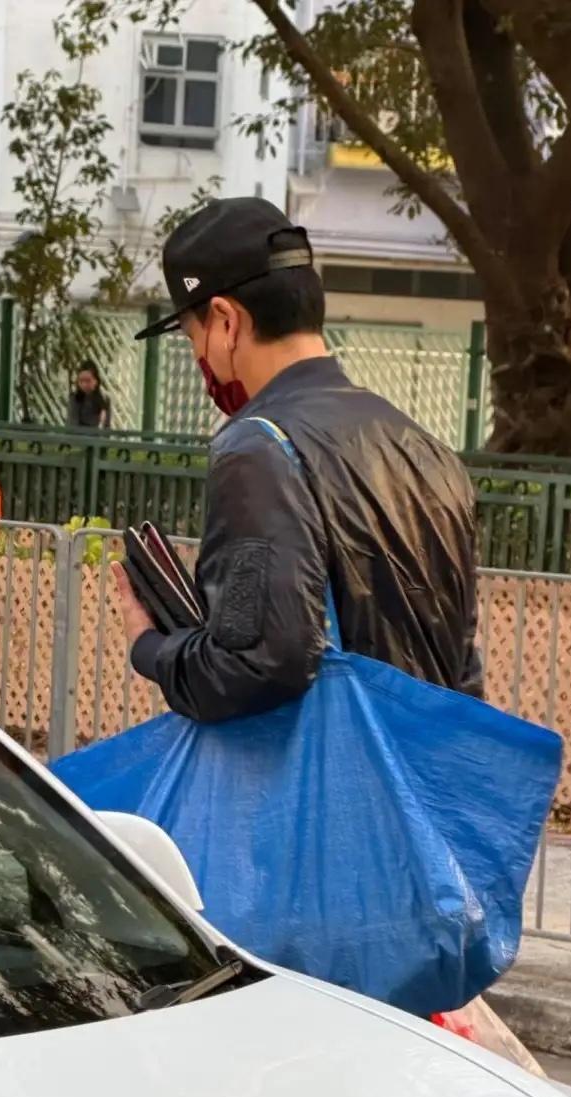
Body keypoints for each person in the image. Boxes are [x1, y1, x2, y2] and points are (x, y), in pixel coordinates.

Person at [114, 197, 482, 724]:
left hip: (321, 793)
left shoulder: (258, 449)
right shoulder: (429, 451)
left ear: (224, 320)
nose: (200, 359)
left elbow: (257, 663)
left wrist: (151, 647)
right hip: (422, 787)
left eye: (192, 337)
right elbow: (461, 664)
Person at [68, 361, 111, 428]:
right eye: (81, 381)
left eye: (88, 380)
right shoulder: (75, 398)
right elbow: (72, 425)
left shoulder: (104, 399)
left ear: (96, 381)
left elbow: (106, 427)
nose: (84, 385)